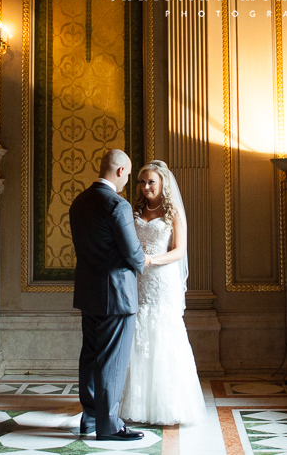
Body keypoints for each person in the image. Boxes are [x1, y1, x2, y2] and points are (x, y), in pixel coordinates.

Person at [119, 160, 207, 425]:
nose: (145, 186)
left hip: (162, 278)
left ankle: (167, 405)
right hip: (138, 279)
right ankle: (136, 403)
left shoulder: (173, 213)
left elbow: (179, 251)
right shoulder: (135, 209)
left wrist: (151, 260)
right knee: (139, 333)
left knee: (163, 332)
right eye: (142, 182)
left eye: (151, 182)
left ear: (162, 184)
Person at [69, 149, 146, 441]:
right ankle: (109, 425)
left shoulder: (79, 202)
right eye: (128, 174)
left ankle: (89, 418)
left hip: (88, 291)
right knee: (112, 360)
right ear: (121, 171)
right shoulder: (117, 204)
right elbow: (131, 252)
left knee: (90, 356)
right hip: (116, 295)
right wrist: (144, 261)